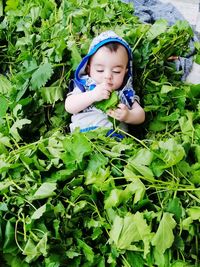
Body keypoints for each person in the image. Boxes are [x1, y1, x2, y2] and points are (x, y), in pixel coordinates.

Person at [65, 30, 145, 134]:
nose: (107, 76)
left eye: (116, 71)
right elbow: (69, 106)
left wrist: (128, 115)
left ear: (125, 73)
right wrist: (93, 95)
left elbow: (141, 115)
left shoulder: (125, 93)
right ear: (88, 69)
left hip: (116, 141)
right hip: (83, 136)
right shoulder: (86, 87)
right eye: (100, 70)